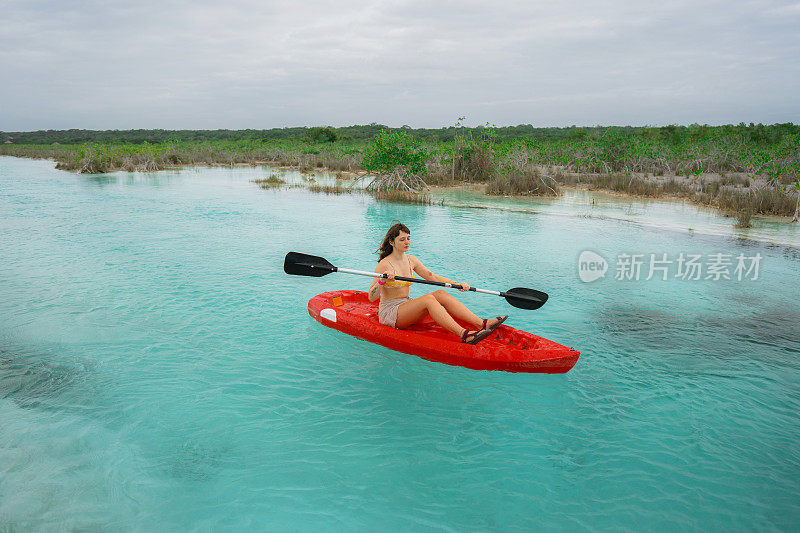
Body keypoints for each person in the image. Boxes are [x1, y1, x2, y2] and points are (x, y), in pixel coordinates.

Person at [367, 222, 507, 344]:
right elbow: (372, 297)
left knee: (440, 293)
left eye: (408, 238)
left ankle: (482, 323)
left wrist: (457, 284)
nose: (407, 242)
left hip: (405, 305)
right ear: (392, 242)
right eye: (402, 239)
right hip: (391, 313)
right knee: (428, 300)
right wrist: (382, 280)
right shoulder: (384, 265)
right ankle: (465, 335)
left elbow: (432, 276)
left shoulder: (411, 260)